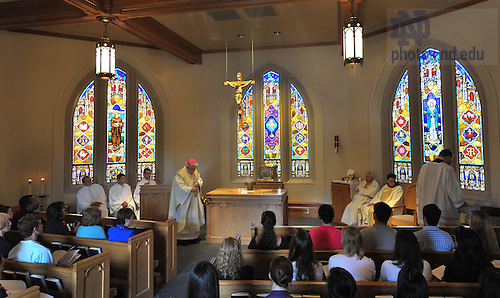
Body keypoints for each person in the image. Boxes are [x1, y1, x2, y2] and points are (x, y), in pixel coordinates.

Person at [416, 149, 467, 226]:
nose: (451, 161)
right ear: (448, 157)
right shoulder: (447, 169)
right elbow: (453, 190)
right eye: (451, 159)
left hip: (425, 206)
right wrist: (461, 202)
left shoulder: (424, 167)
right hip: (443, 208)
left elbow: (418, 188)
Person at [168, 158, 205, 240]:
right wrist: (190, 189)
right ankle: (182, 237)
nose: (194, 171)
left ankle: (194, 236)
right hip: (184, 201)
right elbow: (179, 188)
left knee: (194, 216)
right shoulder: (180, 175)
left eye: (195, 169)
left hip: (194, 200)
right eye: (193, 169)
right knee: (184, 218)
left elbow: (199, 178)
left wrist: (198, 183)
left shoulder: (195, 171)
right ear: (188, 167)